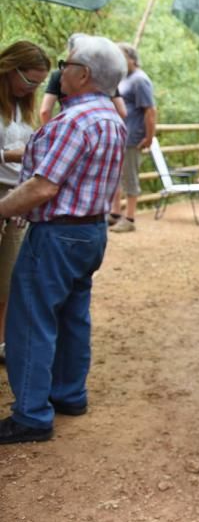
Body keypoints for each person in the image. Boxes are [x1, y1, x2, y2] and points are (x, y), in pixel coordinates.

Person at [0, 35, 127, 445]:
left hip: (57, 233)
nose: (60, 71)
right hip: (91, 231)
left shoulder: (75, 120)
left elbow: (42, 188)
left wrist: (2, 209)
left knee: (33, 319)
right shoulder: (111, 118)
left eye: (65, 64)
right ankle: (69, 394)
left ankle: (32, 415)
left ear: (83, 74)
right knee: (74, 316)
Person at [0, 41, 51, 365]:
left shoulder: (22, 107)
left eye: (38, 84)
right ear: (10, 68)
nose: (31, 88)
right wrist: (13, 154)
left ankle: (2, 342)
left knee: (8, 279)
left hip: (15, 198)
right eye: (29, 80)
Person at [108, 42, 156, 233]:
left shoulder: (140, 80)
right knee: (115, 176)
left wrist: (149, 137)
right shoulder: (122, 78)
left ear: (131, 58)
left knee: (130, 176)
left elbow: (150, 111)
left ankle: (129, 218)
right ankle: (115, 213)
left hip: (132, 136)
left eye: (121, 56)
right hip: (119, 136)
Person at [39, 33, 126, 125]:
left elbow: (45, 111)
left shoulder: (58, 75)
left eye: (67, 65)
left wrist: (51, 131)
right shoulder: (105, 78)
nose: (64, 70)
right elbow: (122, 111)